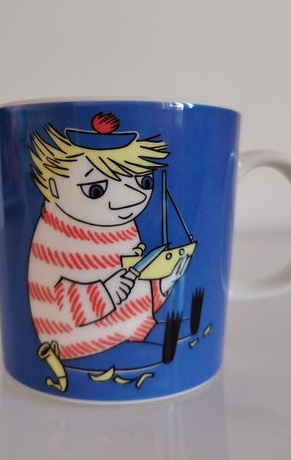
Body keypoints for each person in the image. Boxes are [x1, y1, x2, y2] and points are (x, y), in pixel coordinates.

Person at [27, 114, 190, 365]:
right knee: (172, 353)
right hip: (81, 350)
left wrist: (163, 283)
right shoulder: (57, 240)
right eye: (96, 189)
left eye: (144, 181)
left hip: (135, 331)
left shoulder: (120, 227)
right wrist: (107, 292)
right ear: (55, 187)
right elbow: (59, 307)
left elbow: (133, 292)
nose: (134, 198)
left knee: (181, 339)